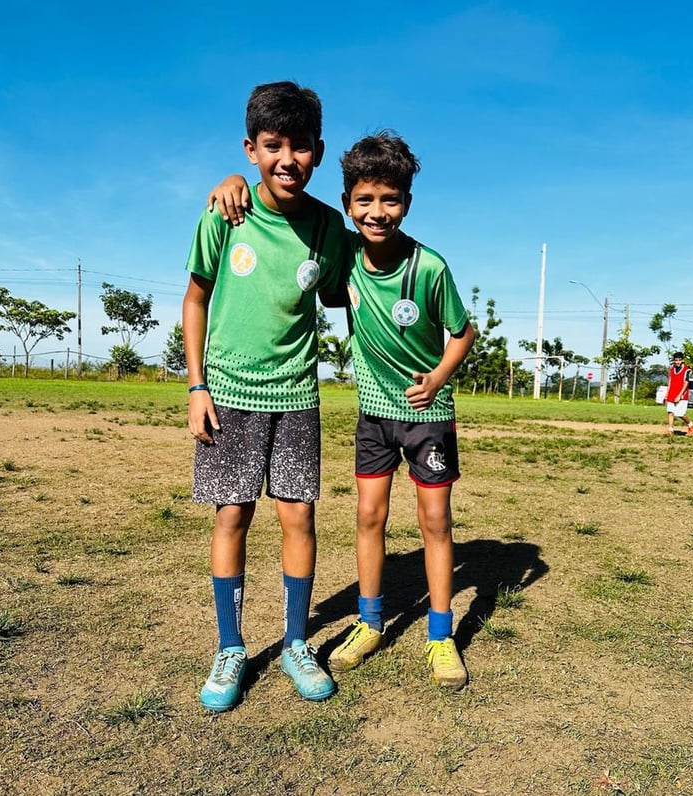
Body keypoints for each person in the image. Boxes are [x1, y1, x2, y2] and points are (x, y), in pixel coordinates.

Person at [210, 131, 475, 690]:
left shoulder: (429, 267)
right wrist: (234, 182)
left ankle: (440, 634)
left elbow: (463, 331)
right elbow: (288, 224)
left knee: (434, 522)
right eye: (365, 200)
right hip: (372, 415)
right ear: (349, 203)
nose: (377, 212)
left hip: (428, 415)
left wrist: (438, 378)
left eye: (390, 200)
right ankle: (370, 623)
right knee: (369, 517)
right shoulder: (344, 253)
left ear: (407, 202)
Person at [182, 80, 347, 713]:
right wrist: (196, 386)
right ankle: (230, 647)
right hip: (227, 392)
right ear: (250, 149)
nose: (287, 159)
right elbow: (195, 299)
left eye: (300, 146)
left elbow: (344, 291)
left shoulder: (328, 227)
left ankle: (297, 643)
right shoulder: (225, 213)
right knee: (232, 516)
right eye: (272, 145)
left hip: (297, 394)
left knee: (299, 516)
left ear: (318, 152)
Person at [664, 351, 693, 435]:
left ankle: (690, 424)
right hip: (672, 392)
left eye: (679, 360)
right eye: (676, 360)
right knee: (670, 411)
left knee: (680, 414)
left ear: (682, 360)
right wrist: (667, 393)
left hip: (682, 395)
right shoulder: (671, 369)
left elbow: (686, 383)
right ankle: (670, 430)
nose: (678, 362)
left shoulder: (686, 370)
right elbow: (670, 381)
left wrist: (679, 395)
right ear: (674, 360)